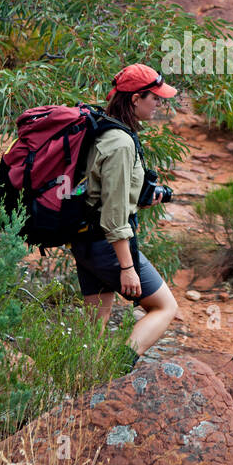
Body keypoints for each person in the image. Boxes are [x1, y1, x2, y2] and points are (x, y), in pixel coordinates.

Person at [70, 63, 179, 364]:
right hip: (107, 244)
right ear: (134, 99)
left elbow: (105, 193)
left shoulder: (104, 130)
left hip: (85, 241)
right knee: (165, 307)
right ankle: (117, 365)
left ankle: (83, 381)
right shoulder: (121, 143)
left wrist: (142, 198)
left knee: (95, 329)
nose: (159, 103)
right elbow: (114, 215)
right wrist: (127, 266)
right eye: (154, 98)